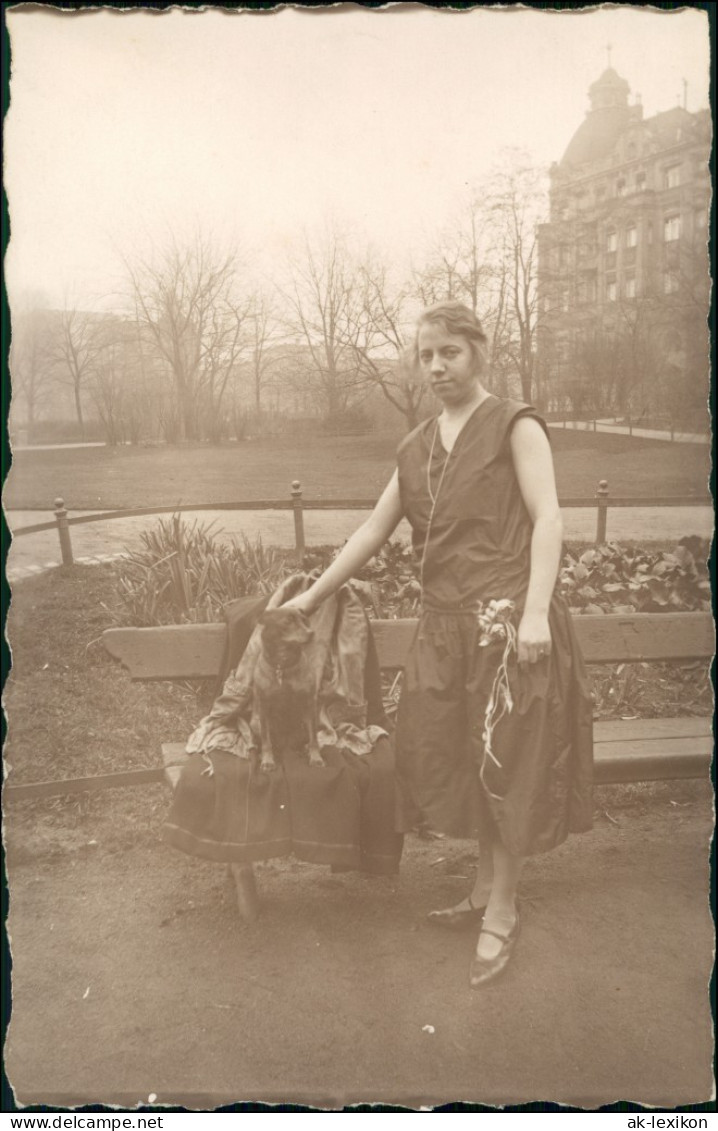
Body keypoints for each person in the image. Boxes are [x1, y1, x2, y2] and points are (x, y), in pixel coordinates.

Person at [284, 300, 593, 988]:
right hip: (443, 632)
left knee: (506, 766)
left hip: (508, 628)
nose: (436, 366)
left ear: (477, 352)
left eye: (449, 352)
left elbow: (549, 518)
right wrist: (314, 594)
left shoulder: (516, 424)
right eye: (425, 355)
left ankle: (504, 908)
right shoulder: (418, 444)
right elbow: (372, 530)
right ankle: (483, 886)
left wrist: (537, 612)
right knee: (459, 760)